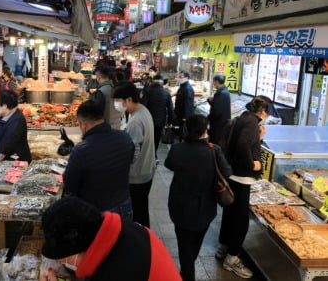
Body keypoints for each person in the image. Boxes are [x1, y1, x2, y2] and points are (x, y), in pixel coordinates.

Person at [41, 196, 182, 281]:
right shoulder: (124, 229)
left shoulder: (115, 273)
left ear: (80, 249)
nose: (61, 261)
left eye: (63, 256)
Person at [165, 115, 232, 281]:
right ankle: (188, 271)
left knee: (183, 242)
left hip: (180, 205)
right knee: (195, 241)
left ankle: (187, 272)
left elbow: (169, 165)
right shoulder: (213, 150)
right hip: (205, 207)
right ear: (205, 130)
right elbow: (227, 173)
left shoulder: (177, 149)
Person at [217, 96, 272, 279]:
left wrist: (259, 136)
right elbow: (242, 144)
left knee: (230, 214)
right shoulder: (251, 122)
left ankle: (223, 248)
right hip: (242, 177)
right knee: (240, 221)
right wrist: (253, 164)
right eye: (267, 112)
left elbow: (244, 141)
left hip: (233, 174)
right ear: (263, 111)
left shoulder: (244, 116)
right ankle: (232, 259)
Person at [63, 100, 135, 220]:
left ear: (83, 124)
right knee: (123, 238)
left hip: (98, 213)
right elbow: (130, 160)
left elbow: (70, 184)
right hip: (124, 206)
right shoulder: (125, 137)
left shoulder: (81, 150)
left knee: (101, 239)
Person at [113, 81, 155, 227]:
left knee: (135, 214)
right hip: (147, 170)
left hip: (137, 175)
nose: (117, 104)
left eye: (119, 101)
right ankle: (146, 237)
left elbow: (133, 152)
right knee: (142, 210)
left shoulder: (135, 121)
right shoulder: (143, 110)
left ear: (129, 99)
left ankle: (138, 242)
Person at [0, 90, 31, 168]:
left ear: (5, 106)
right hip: (4, 159)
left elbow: (7, 142)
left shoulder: (17, 120)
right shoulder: (4, 115)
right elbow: (0, 133)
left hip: (15, 161)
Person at [142, 76, 174, 159]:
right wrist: (170, 122)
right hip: (160, 120)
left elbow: (143, 106)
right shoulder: (166, 93)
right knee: (157, 137)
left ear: (153, 82)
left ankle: (147, 154)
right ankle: (154, 154)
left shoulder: (148, 92)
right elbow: (171, 109)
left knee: (147, 137)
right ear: (162, 82)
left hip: (148, 119)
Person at [208, 74, 231, 145]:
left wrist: (208, 118)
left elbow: (217, 111)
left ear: (217, 81)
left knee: (215, 142)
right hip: (221, 123)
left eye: (213, 81)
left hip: (219, 124)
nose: (213, 83)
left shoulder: (221, 93)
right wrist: (211, 101)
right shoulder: (224, 91)